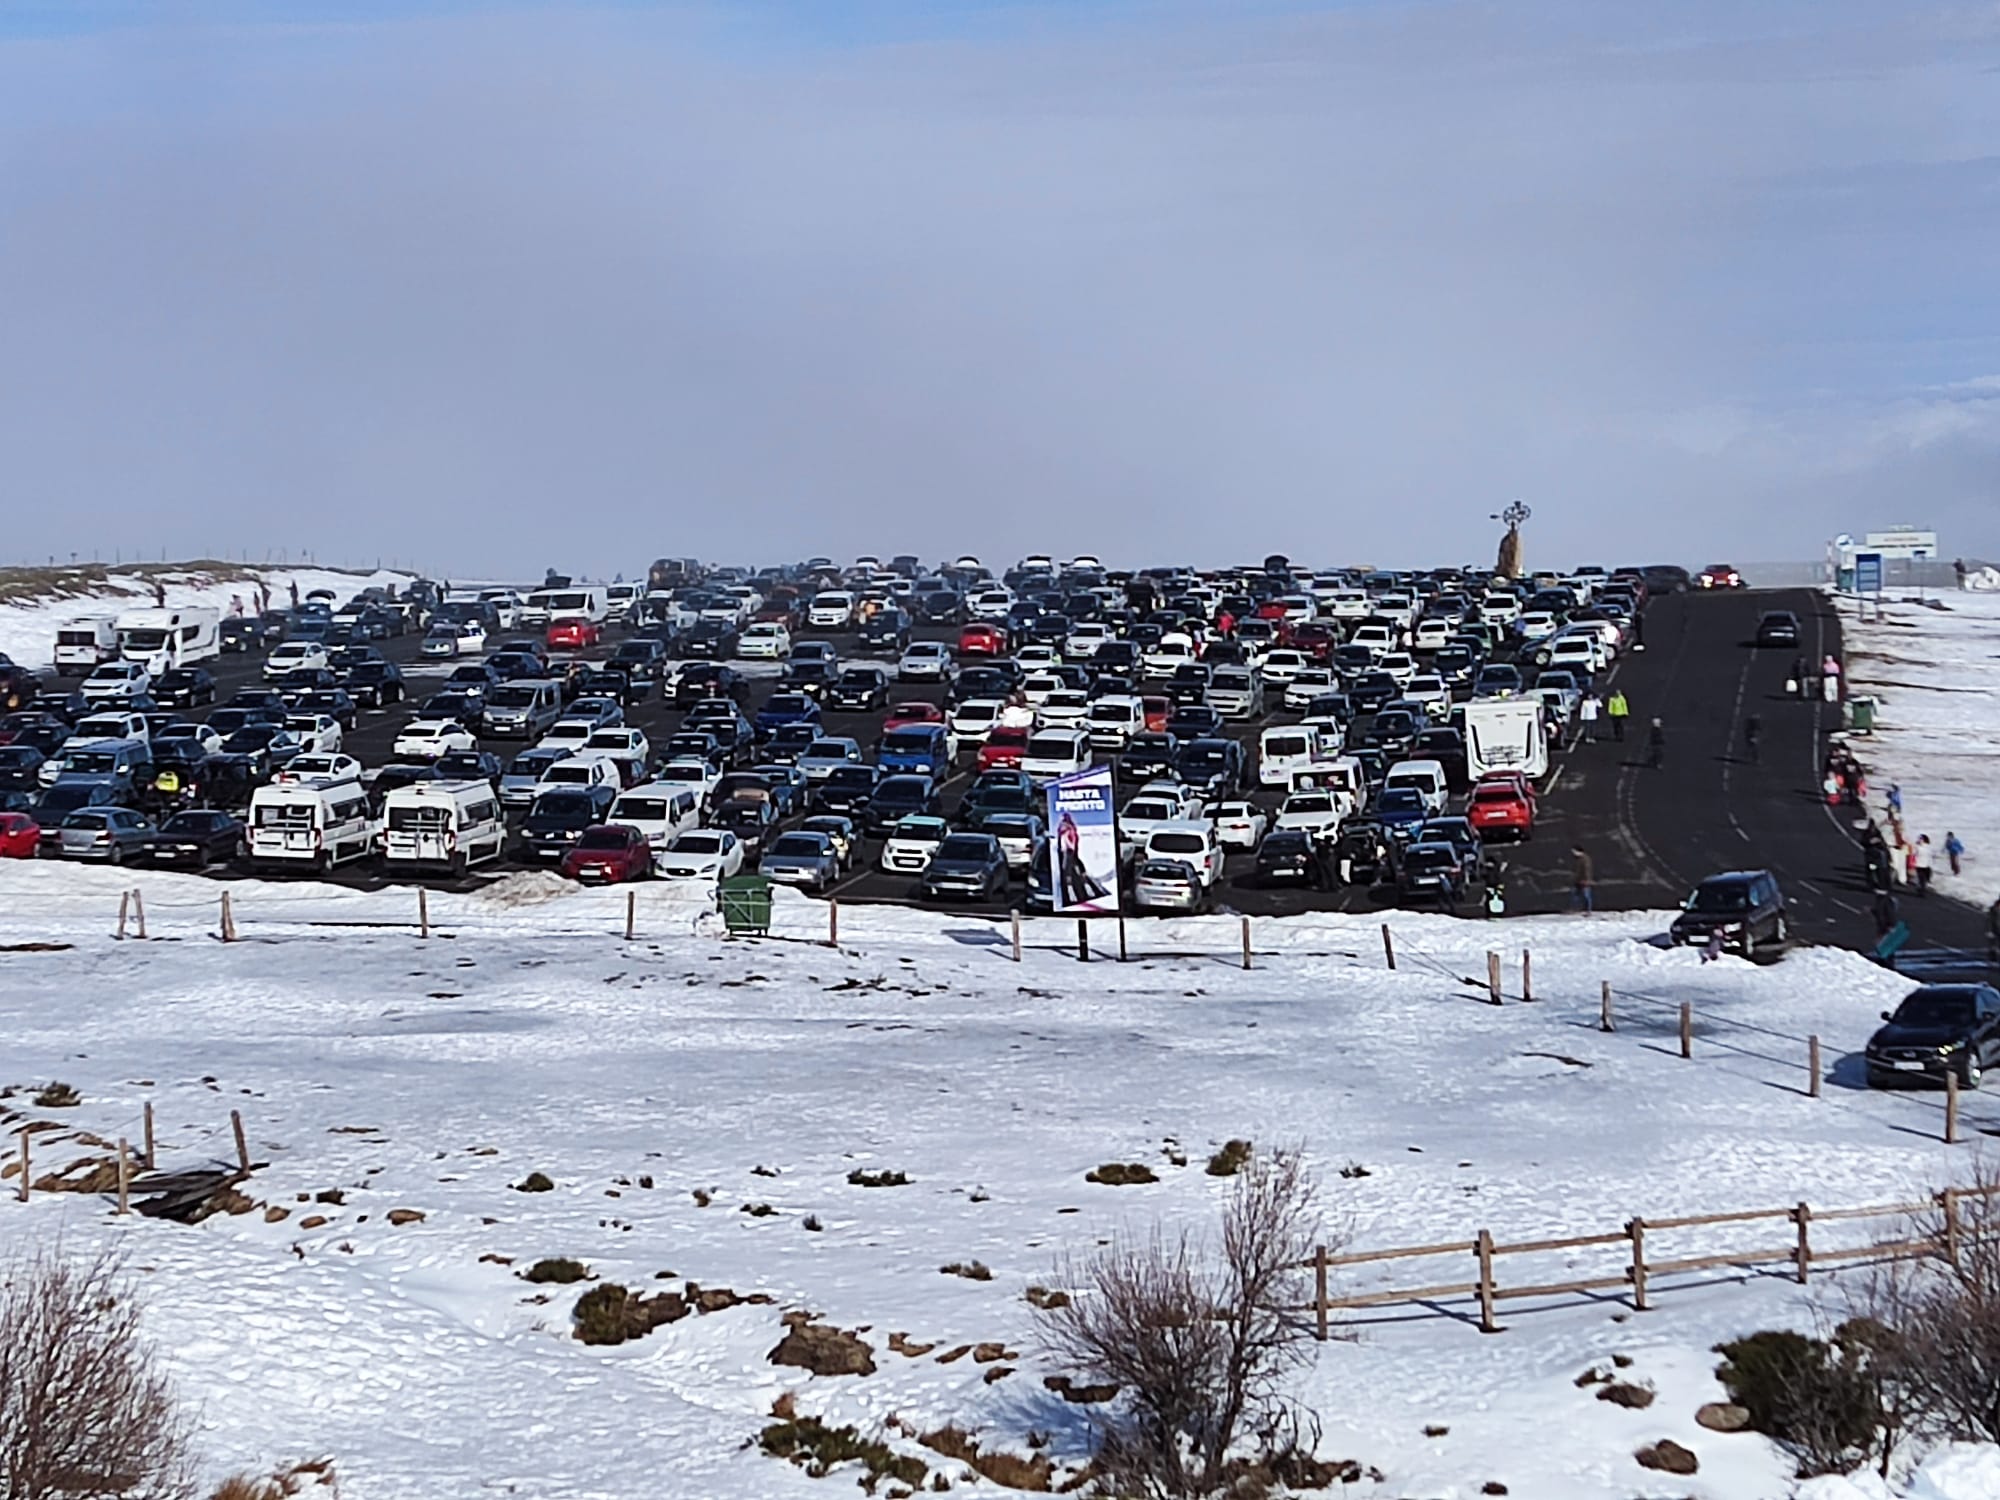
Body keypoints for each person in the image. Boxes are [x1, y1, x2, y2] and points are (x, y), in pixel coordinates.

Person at [1570, 846, 1595, 914]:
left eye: (1574, 851)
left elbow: (1587, 870)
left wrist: (1586, 880)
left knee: (1586, 895)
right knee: (1575, 895)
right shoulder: (1579, 859)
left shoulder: (1585, 859)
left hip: (1584, 880)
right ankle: (1575, 909)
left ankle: (1588, 910)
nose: (1573, 853)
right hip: (1579, 880)